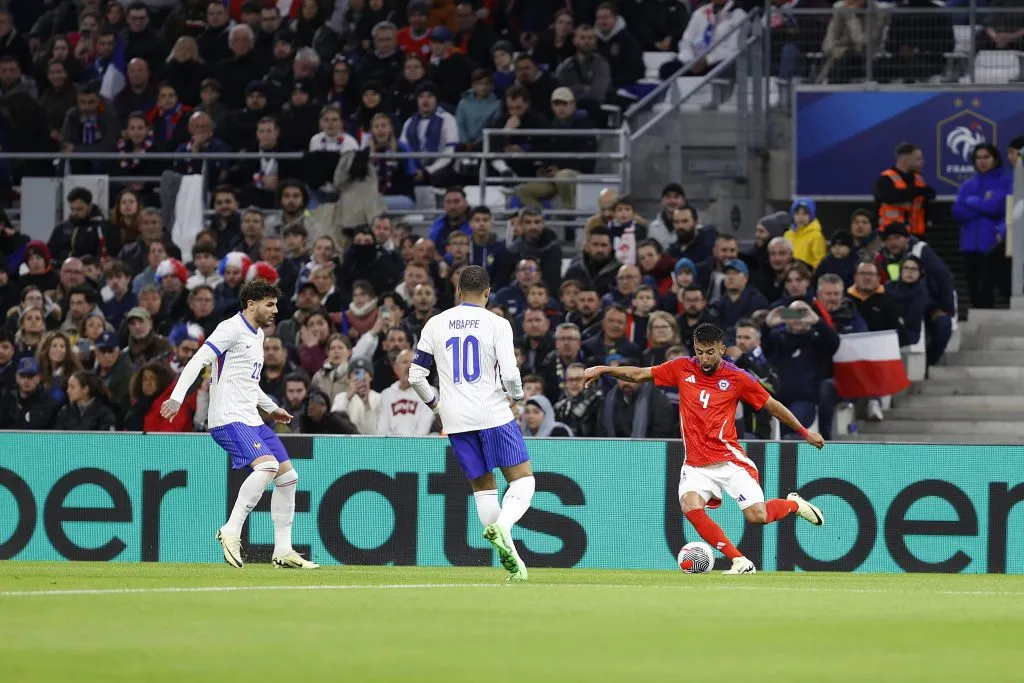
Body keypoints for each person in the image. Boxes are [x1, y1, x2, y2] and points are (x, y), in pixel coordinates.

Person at [583, 322, 826, 575]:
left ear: (722, 349)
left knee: (757, 516)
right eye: (699, 351)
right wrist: (604, 369)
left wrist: (804, 432)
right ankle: (740, 560)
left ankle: (794, 505)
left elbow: (772, 405)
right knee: (689, 505)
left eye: (710, 352)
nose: (704, 358)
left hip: (729, 461)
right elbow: (638, 374)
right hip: (696, 464)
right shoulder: (682, 368)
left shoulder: (738, 378)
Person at [160, 278, 318, 570]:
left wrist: (273, 409)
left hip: (253, 420)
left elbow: (249, 382)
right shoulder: (230, 328)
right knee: (268, 467)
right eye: (269, 304)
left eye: (276, 304)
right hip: (228, 418)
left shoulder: (257, 335)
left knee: (288, 478)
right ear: (251, 304)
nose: (275, 310)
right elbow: (197, 361)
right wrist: (177, 399)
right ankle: (231, 530)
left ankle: (283, 550)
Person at [409, 265, 533, 582]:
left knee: (483, 489)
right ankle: (503, 528)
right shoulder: (498, 324)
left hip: (455, 418)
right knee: (523, 481)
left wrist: (437, 406)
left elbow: (416, 376)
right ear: (488, 292)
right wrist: (517, 397)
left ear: (458, 290)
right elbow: (509, 374)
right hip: (492, 412)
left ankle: (515, 565)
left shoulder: (435, 324)